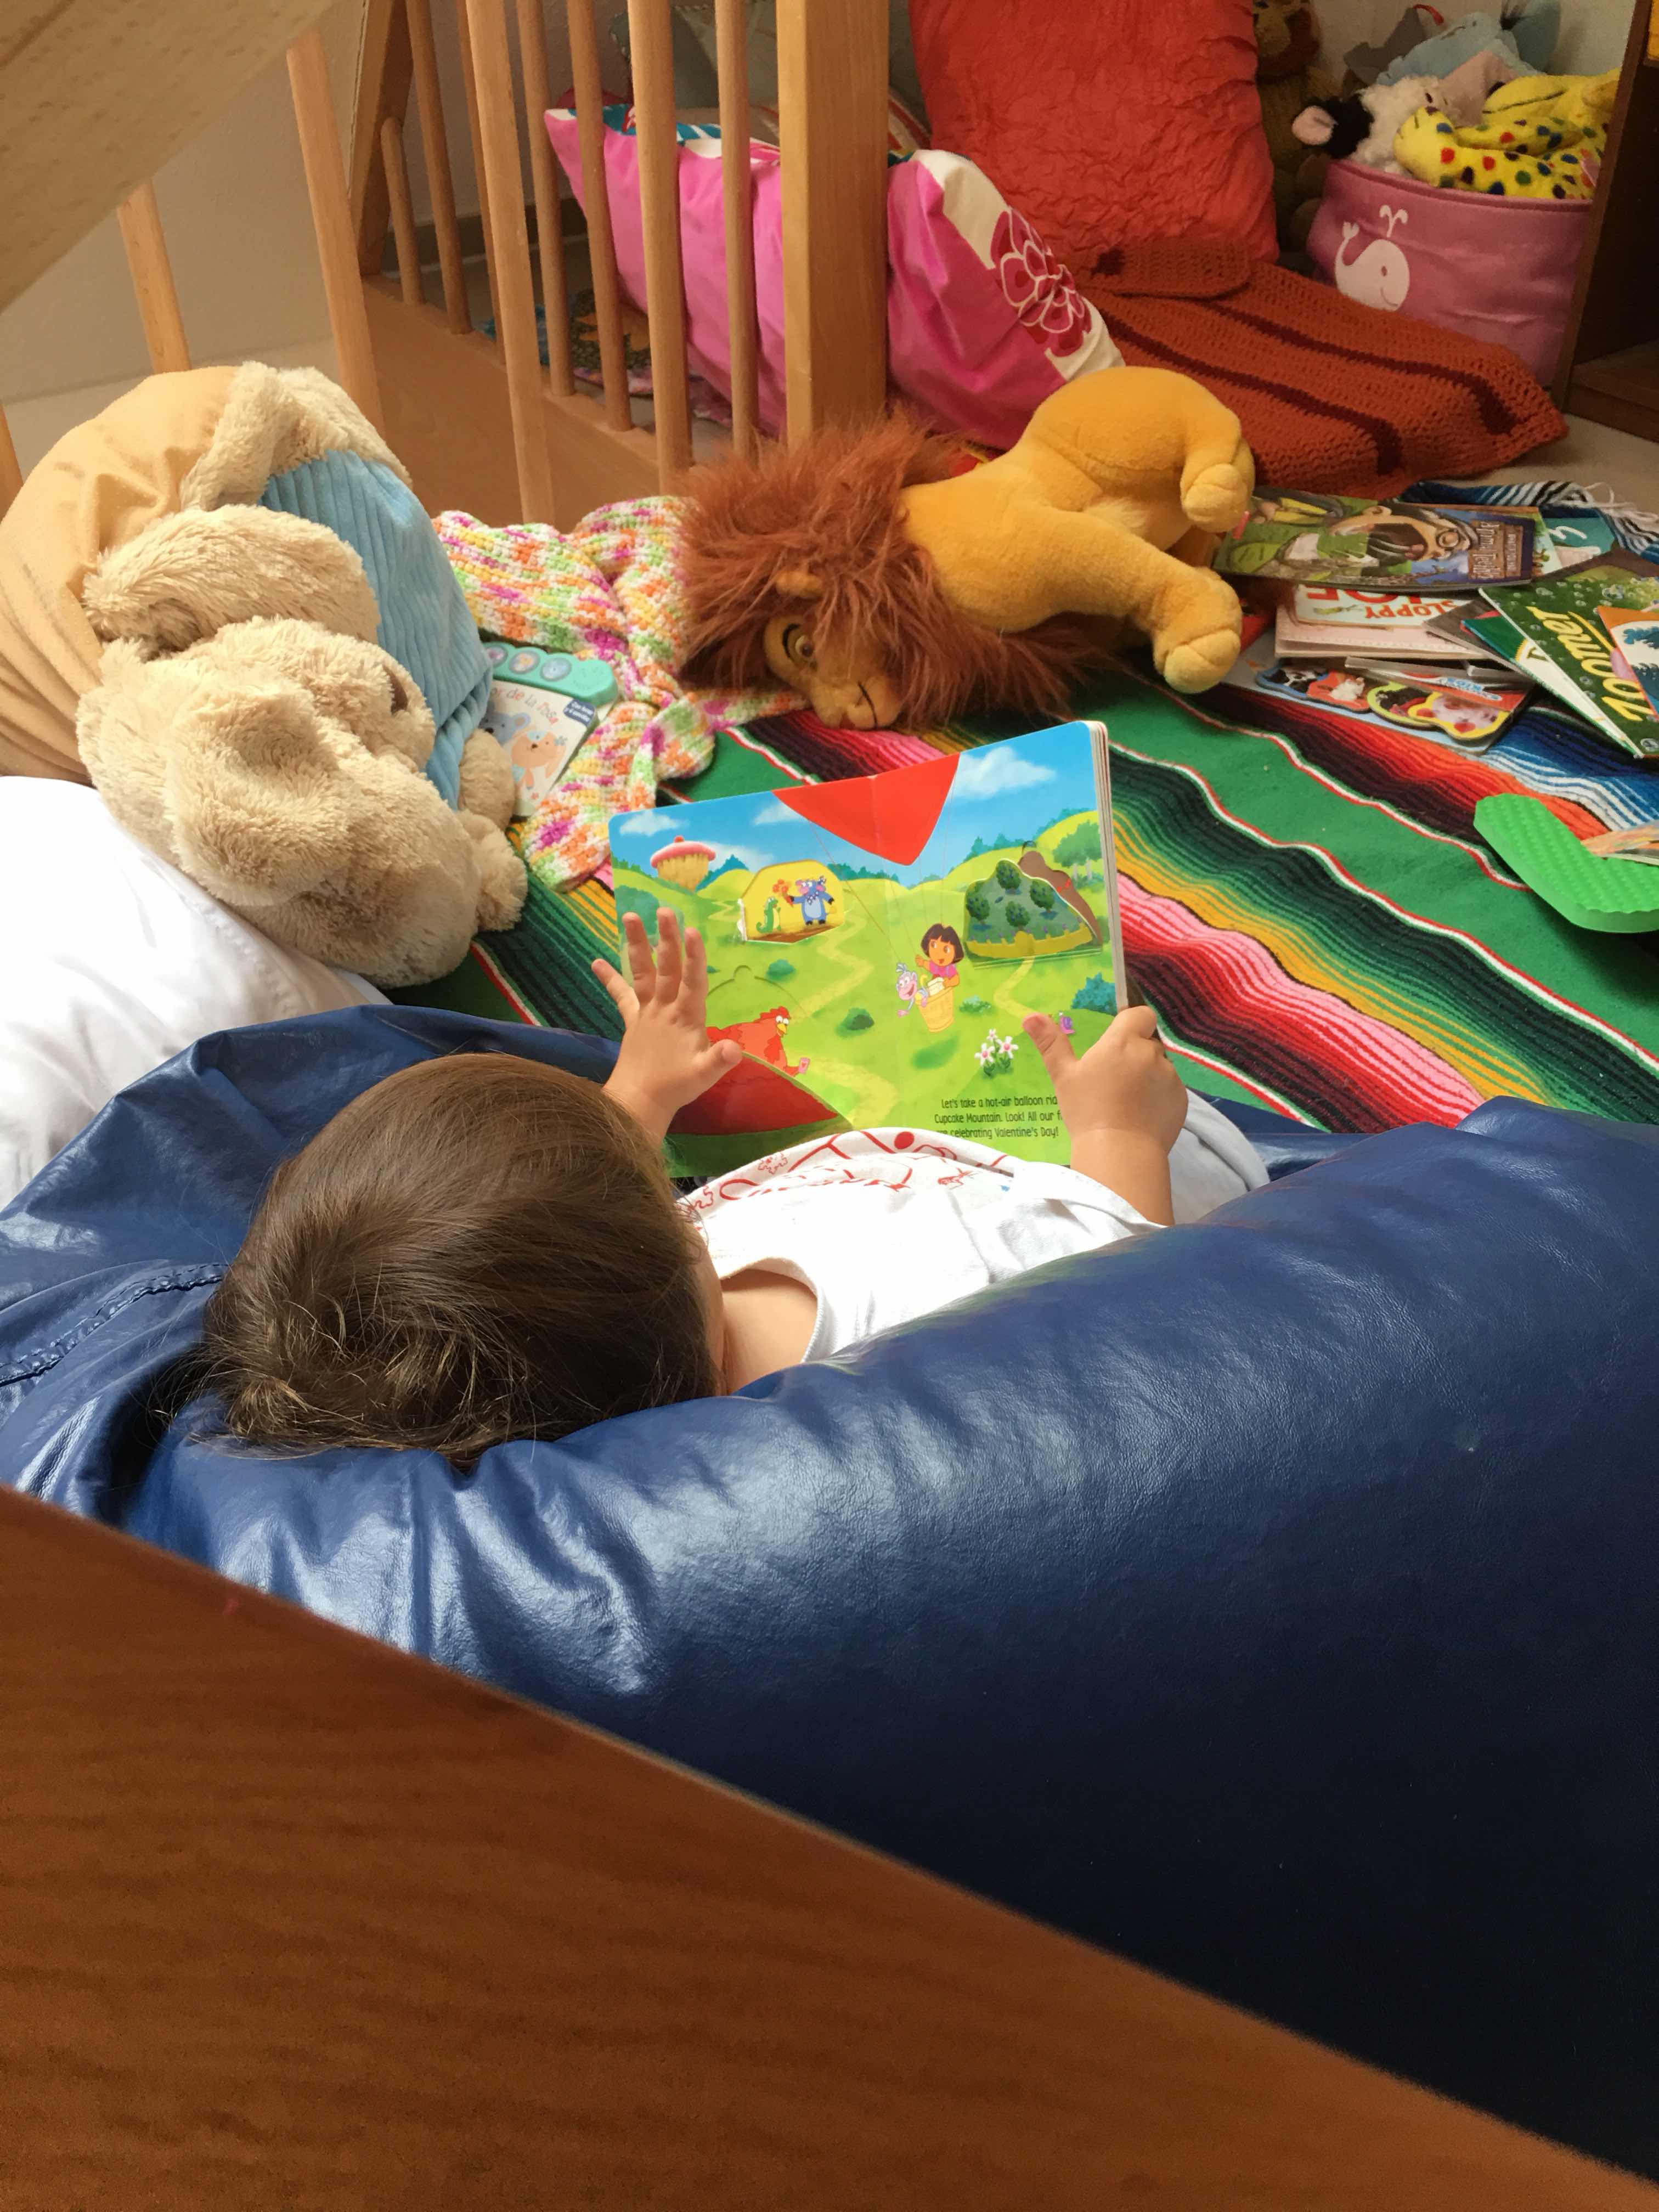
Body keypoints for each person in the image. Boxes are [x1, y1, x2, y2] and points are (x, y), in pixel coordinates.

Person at [200, 911, 1267, 1469]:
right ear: (666, 1261)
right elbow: (1114, 1300)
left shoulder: (613, 1332)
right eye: (632, 1171)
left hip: (893, 1186)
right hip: (1121, 1198)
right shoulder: (912, 1314)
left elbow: (531, 1241)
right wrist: (1117, 1134)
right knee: (1167, 1110)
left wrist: (641, 1089)